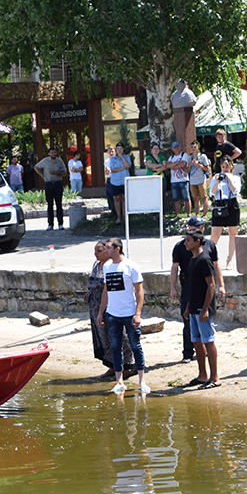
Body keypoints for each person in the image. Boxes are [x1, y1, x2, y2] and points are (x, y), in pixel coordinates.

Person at [97, 237, 149, 394]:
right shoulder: (106, 266)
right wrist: (101, 312)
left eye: (107, 248)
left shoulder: (130, 266)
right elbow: (106, 291)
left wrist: (137, 313)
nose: (105, 250)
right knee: (115, 347)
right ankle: (119, 381)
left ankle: (142, 380)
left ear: (117, 249)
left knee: (135, 346)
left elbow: (140, 291)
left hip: (129, 314)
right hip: (112, 314)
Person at [171, 216, 224, 364]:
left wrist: (222, 285)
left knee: (206, 328)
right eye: (196, 227)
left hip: (205, 287)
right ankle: (188, 352)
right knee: (188, 321)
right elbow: (174, 267)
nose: (200, 229)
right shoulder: (181, 246)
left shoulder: (209, 246)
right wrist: (172, 288)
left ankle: (208, 361)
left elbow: (215, 269)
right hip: (188, 286)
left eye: (202, 226)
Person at [85, 239, 134, 379]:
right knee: (103, 337)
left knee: (118, 337)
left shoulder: (111, 266)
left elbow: (110, 288)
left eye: (100, 251)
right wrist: (89, 292)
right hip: (95, 307)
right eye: (95, 251)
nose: (97, 254)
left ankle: (126, 366)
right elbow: (93, 283)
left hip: (109, 307)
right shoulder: (97, 265)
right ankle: (112, 365)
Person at [182, 230, 219, 389]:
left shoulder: (204, 260)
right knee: (196, 341)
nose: (185, 243)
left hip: (203, 308)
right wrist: (189, 306)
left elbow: (211, 285)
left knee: (208, 341)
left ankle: (214, 377)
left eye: (188, 240)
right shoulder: (192, 260)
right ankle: (202, 375)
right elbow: (193, 287)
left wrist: (205, 309)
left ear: (197, 241)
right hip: (194, 308)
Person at [209, 156, 241, 269]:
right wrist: (217, 181)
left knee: (233, 234)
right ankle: (208, 256)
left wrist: (229, 178)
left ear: (231, 167)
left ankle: (230, 259)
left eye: (227, 167)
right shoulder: (216, 177)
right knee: (215, 233)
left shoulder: (235, 178)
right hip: (219, 204)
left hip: (232, 204)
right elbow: (212, 193)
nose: (225, 169)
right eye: (223, 167)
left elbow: (235, 190)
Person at [34, 146, 68, 231]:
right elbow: (36, 167)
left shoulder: (59, 161)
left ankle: (60, 224)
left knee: (59, 204)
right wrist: (43, 176)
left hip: (58, 183)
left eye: (55, 152)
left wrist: (55, 172)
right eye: (52, 152)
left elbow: (64, 173)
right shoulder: (45, 161)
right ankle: (50, 224)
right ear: (49, 153)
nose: (53, 154)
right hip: (49, 183)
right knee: (50, 205)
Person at [164, 140, 191, 216]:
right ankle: (177, 214)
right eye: (174, 147)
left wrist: (173, 165)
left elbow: (182, 164)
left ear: (180, 147)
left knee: (186, 198)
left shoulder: (184, 155)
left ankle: (189, 214)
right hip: (174, 181)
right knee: (176, 199)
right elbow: (167, 166)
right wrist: (177, 163)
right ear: (172, 149)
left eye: (177, 147)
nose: (176, 149)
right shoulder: (171, 157)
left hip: (184, 180)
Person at [107, 143, 131, 223]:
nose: (119, 150)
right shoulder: (113, 159)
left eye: (121, 148)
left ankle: (124, 216)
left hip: (125, 181)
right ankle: (118, 217)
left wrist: (122, 158)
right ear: (116, 149)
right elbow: (113, 169)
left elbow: (128, 166)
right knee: (117, 198)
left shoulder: (127, 157)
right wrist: (123, 168)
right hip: (115, 181)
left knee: (124, 198)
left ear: (123, 149)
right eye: (118, 149)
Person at [188, 141, 211, 217]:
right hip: (192, 180)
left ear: (198, 147)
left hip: (201, 179)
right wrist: (190, 165)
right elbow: (187, 171)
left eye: (195, 147)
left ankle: (205, 214)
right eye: (192, 147)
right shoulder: (189, 157)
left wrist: (199, 165)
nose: (193, 149)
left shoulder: (203, 156)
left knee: (204, 197)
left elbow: (207, 169)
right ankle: (197, 214)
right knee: (196, 198)